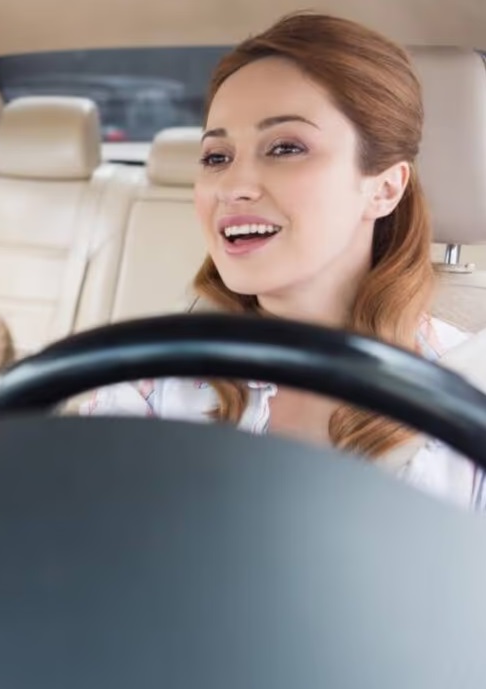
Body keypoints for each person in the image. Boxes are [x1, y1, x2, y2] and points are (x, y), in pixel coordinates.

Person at [80, 12, 485, 510]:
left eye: (286, 147)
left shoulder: (471, 393)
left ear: (384, 188)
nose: (232, 187)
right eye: (216, 157)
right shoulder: (152, 384)